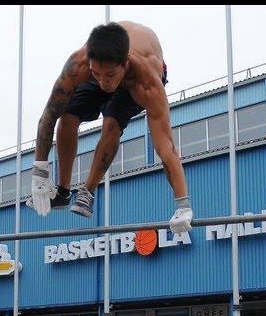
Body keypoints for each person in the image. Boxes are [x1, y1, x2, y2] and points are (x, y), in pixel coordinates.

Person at [26, 21, 192, 235]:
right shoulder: (80, 65)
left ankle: (87, 192)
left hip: (134, 79)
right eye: (97, 75)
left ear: (125, 62)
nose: (103, 83)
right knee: (67, 115)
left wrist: (183, 205)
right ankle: (63, 192)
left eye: (109, 76)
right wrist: (40, 172)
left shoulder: (148, 84)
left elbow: (165, 146)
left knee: (111, 124)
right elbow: (48, 115)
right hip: (108, 65)